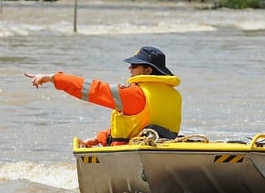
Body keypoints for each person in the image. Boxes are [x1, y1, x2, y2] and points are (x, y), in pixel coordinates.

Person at [24, 46, 182, 147]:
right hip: (161, 150)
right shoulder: (174, 95)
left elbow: (94, 90)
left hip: (131, 158)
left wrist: (54, 78)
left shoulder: (135, 93)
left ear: (148, 71)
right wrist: (99, 138)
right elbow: (138, 125)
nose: (129, 68)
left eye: (134, 65)